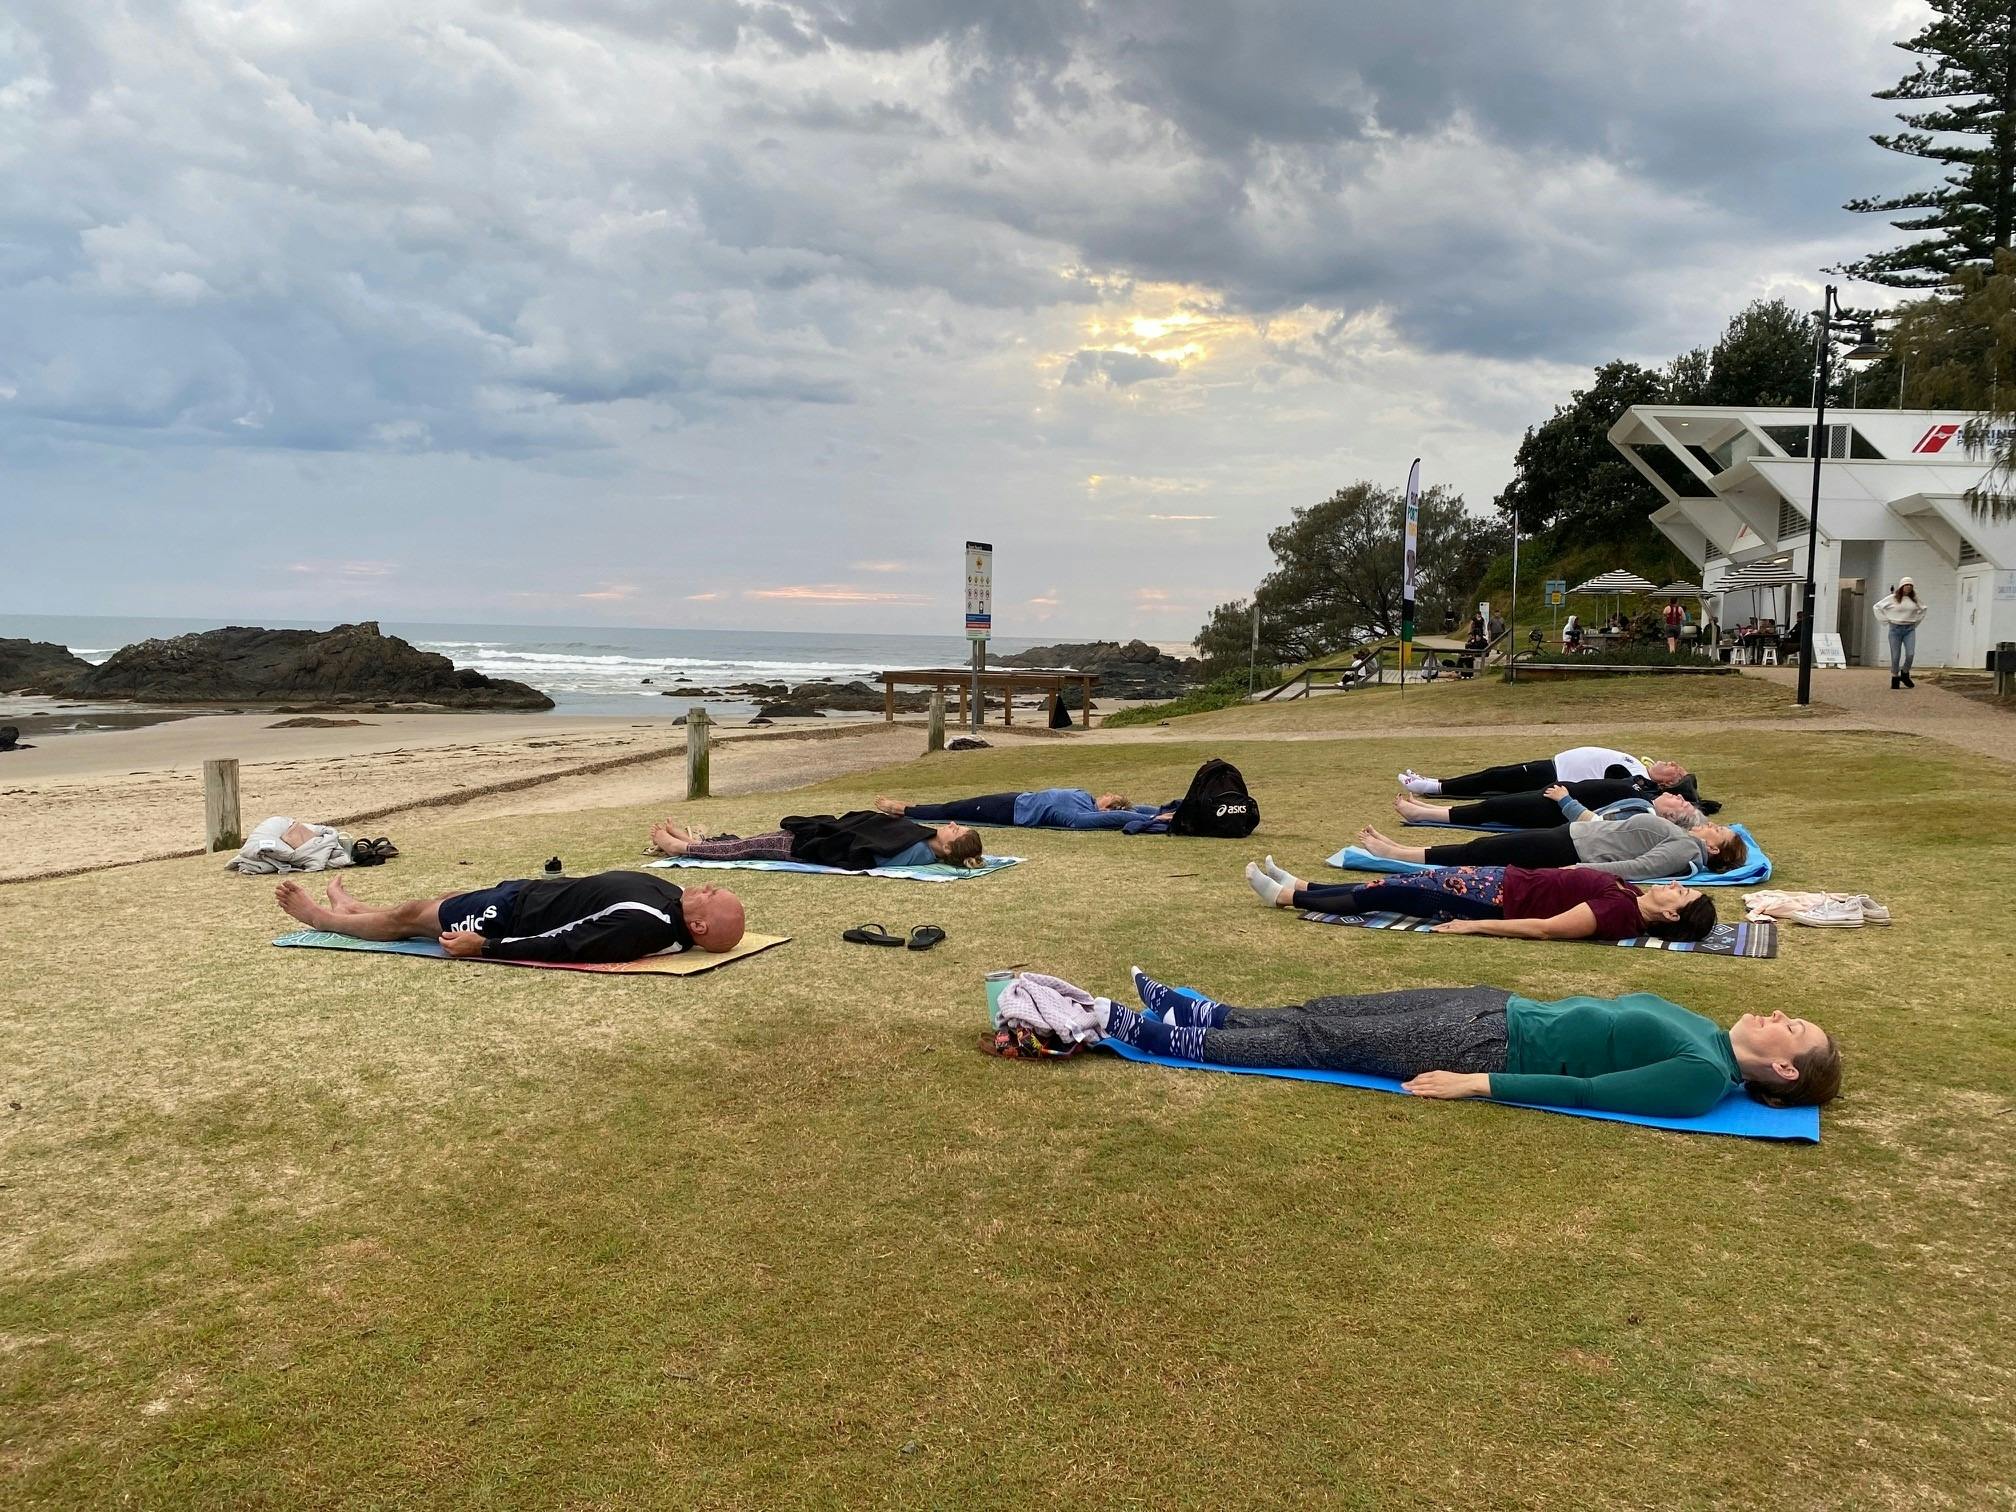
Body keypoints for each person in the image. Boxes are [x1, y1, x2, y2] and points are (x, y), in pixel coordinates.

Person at [1099, 969, 1840, 1117]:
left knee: (1324, 1040)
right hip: (1496, 1005)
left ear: (1781, 1067)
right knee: (1334, 1006)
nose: (1781, 1013)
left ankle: (1176, 1041)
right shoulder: (1706, 1030)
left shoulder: (1702, 1077)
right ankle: (1218, 1015)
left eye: (1794, 1028)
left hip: (1488, 1048)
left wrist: (1474, 1084)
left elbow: (1588, 1094)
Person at [274, 870, 746, 962]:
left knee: (412, 916)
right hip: (527, 895)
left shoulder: (644, 922)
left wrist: (488, 947)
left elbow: (566, 943)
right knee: (439, 902)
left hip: (516, 918)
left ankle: (325, 920)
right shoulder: (671, 903)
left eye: (712, 892)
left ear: (698, 926)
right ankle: (356, 910)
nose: (705, 885)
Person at [1242, 856, 1718, 942]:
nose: (1674, 884)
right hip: (1500, 879)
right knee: (1395, 885)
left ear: (1673, 913)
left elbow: (1546, 928)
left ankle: (1286, 898)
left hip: (1494, 901)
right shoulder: (1630, 895)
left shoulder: (1616, 914)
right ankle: (1304, 885)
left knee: (1388, 893)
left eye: (1682, 891)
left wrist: (1471, 925)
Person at [1355, 792, 1749, 879]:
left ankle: (1404, 854)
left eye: (1717, 830)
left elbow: (1641, 867)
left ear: (1713, 847)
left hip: (1570, 849)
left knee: (1485, 851)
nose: (1709, 824)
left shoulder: (1684, 848)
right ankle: (1404, 849)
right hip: (1571, 836)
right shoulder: (1684, 840)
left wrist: (1580, 869)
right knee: (1487, 848)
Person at [649, 810, 987, 869]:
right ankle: (697, 843)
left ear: (947, 848)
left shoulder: (916, 853)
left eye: (955, 831)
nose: (952, 823)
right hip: (828, 836)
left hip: (817, 849)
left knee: (748, 848)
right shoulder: (925, 840)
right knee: (756, 840)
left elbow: (869, 851)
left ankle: (683, 847)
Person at [1399, 746, 1689, 798]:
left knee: (1494, 778)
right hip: (1552, 767)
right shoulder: (1638, 768)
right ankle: (1431, 783)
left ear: (1667, 782)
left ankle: (1430, 786)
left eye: (1674, 768)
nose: (1670, 762)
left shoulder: (1637, 777)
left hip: (1552, 775)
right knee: (1494, 777)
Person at [1391, 786, 1708, 831]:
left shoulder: (1644, 815)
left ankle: (1423, 814)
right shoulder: (1645, 803)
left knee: (1494, 808)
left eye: (1679, 802)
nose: (1675, 795)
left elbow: (1599, 823)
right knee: (1493, 805)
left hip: (1556, 810)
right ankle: (1427, 809)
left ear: (1670, 816)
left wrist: (1565, 800)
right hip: (1558, 800)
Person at [872, 788, 1174, 833]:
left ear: (1108, 807)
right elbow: (1141, 807)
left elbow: (1125, 814)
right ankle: (906, 808)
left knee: (955, 809)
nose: (1107, 793)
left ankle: (904, 809)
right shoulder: (1085, 797)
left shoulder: (1082, 814)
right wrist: (1160, 811)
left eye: (1111, 796)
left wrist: (1149, 819)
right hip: (1017, 797)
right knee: (959, 804)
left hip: (1011, 811)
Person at [1874, 577, 1928, 689]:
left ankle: (1905, 672)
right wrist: (1885, 620)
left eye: (1910, 585)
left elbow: (1923, 609)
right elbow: (1877, 607)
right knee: (1895, 656)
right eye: (1906, 585)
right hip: (1895, 629)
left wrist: (1915, 621)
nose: (1908, 587)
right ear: (1901, 586)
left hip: (1909, 629)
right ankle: (1895, 677)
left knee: (1910, 653)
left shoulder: (1914, 599)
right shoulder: (1892, 598)